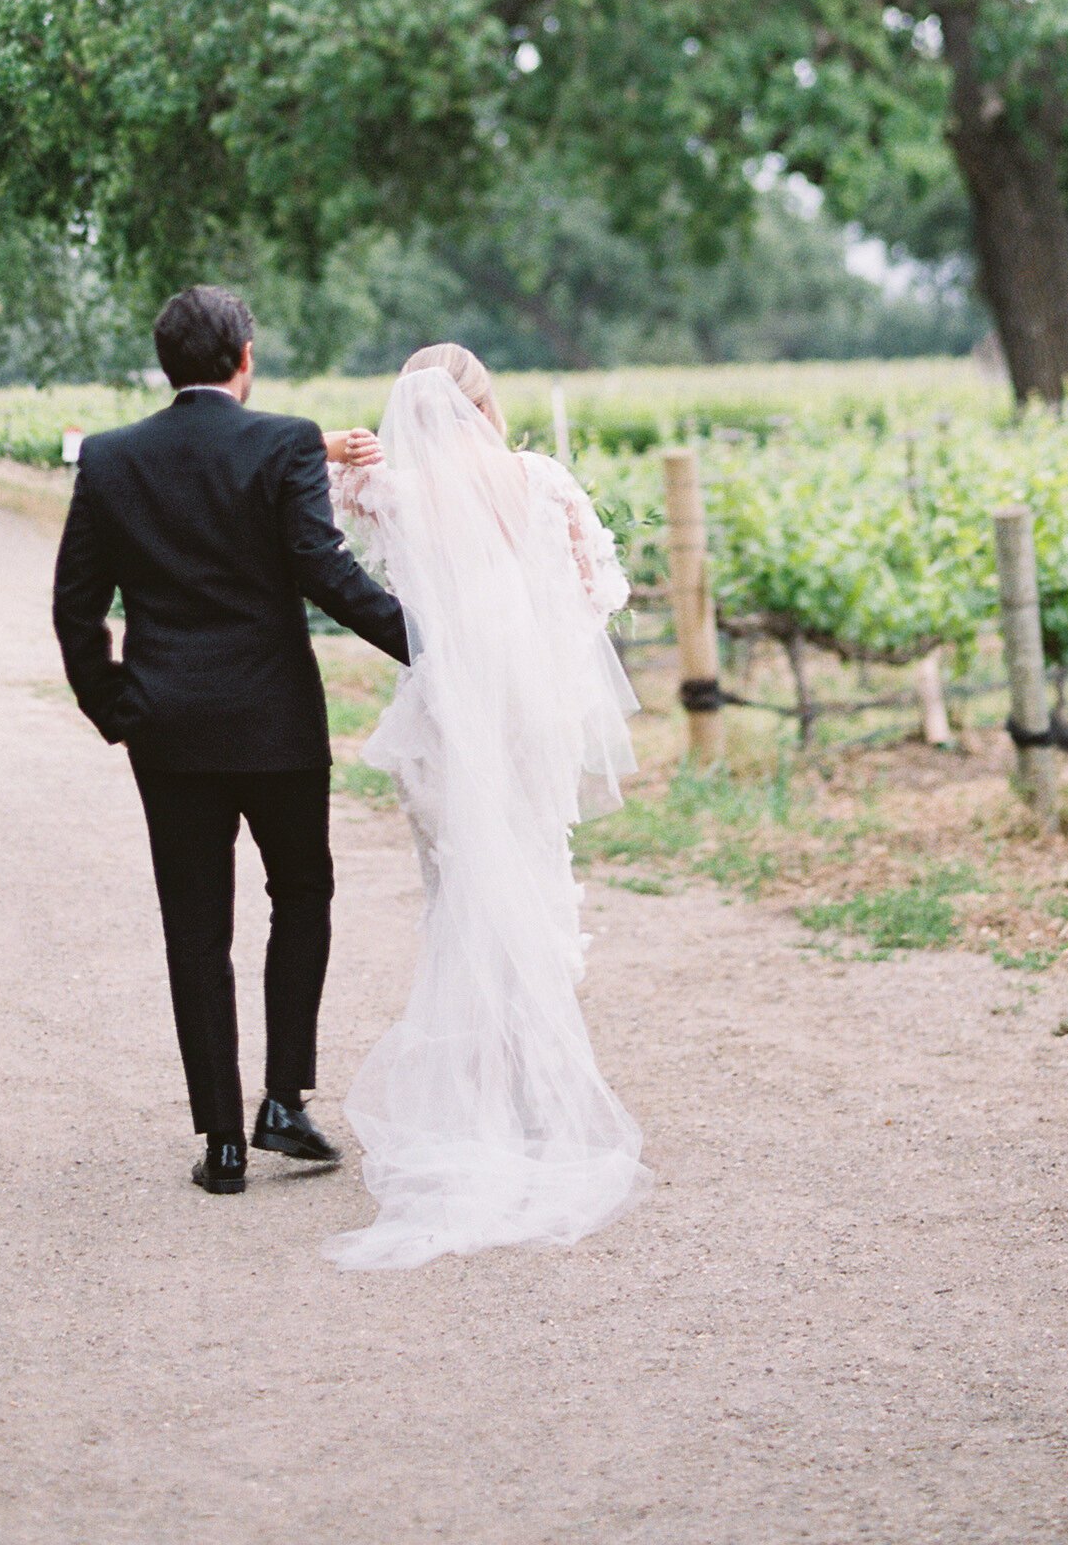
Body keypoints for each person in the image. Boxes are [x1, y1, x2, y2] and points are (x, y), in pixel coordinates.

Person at [51, 283, 412, 1194]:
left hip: (165, 732)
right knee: (301, 893)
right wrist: (431, 644)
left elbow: (75, 607)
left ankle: (219, 1143)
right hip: (276, 722)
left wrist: (116, 707)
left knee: (194, 928)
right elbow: (322, 573)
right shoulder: (283, 439)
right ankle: (282, 1099)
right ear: (244, 357)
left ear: (165, 365)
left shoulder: (110, 459)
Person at [319, 343, 647, 1270]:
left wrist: (345, 452)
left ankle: (484, 1092)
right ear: (483, 401)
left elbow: (316, 512)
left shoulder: (397, 490)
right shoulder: (541, 479)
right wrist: (541, 650)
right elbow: (601, 587)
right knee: (534, 874)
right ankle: (540, 1097)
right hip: (532, 711)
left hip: (448, 716)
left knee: (459, 893)